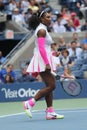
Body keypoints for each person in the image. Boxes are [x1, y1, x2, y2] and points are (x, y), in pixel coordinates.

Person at [23, 9, 64, 120]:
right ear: (41, 19)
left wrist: (53, 53)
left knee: (49, 87)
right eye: (47, 17)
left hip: (44, 58)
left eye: (50, 17)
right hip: (42, 60)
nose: (50, 19)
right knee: (52, 86)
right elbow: (41, 49)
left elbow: (44, 48)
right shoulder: (41, 30)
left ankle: (50, 112)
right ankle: (30, 103)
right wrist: (47, 63)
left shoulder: (43, 29)